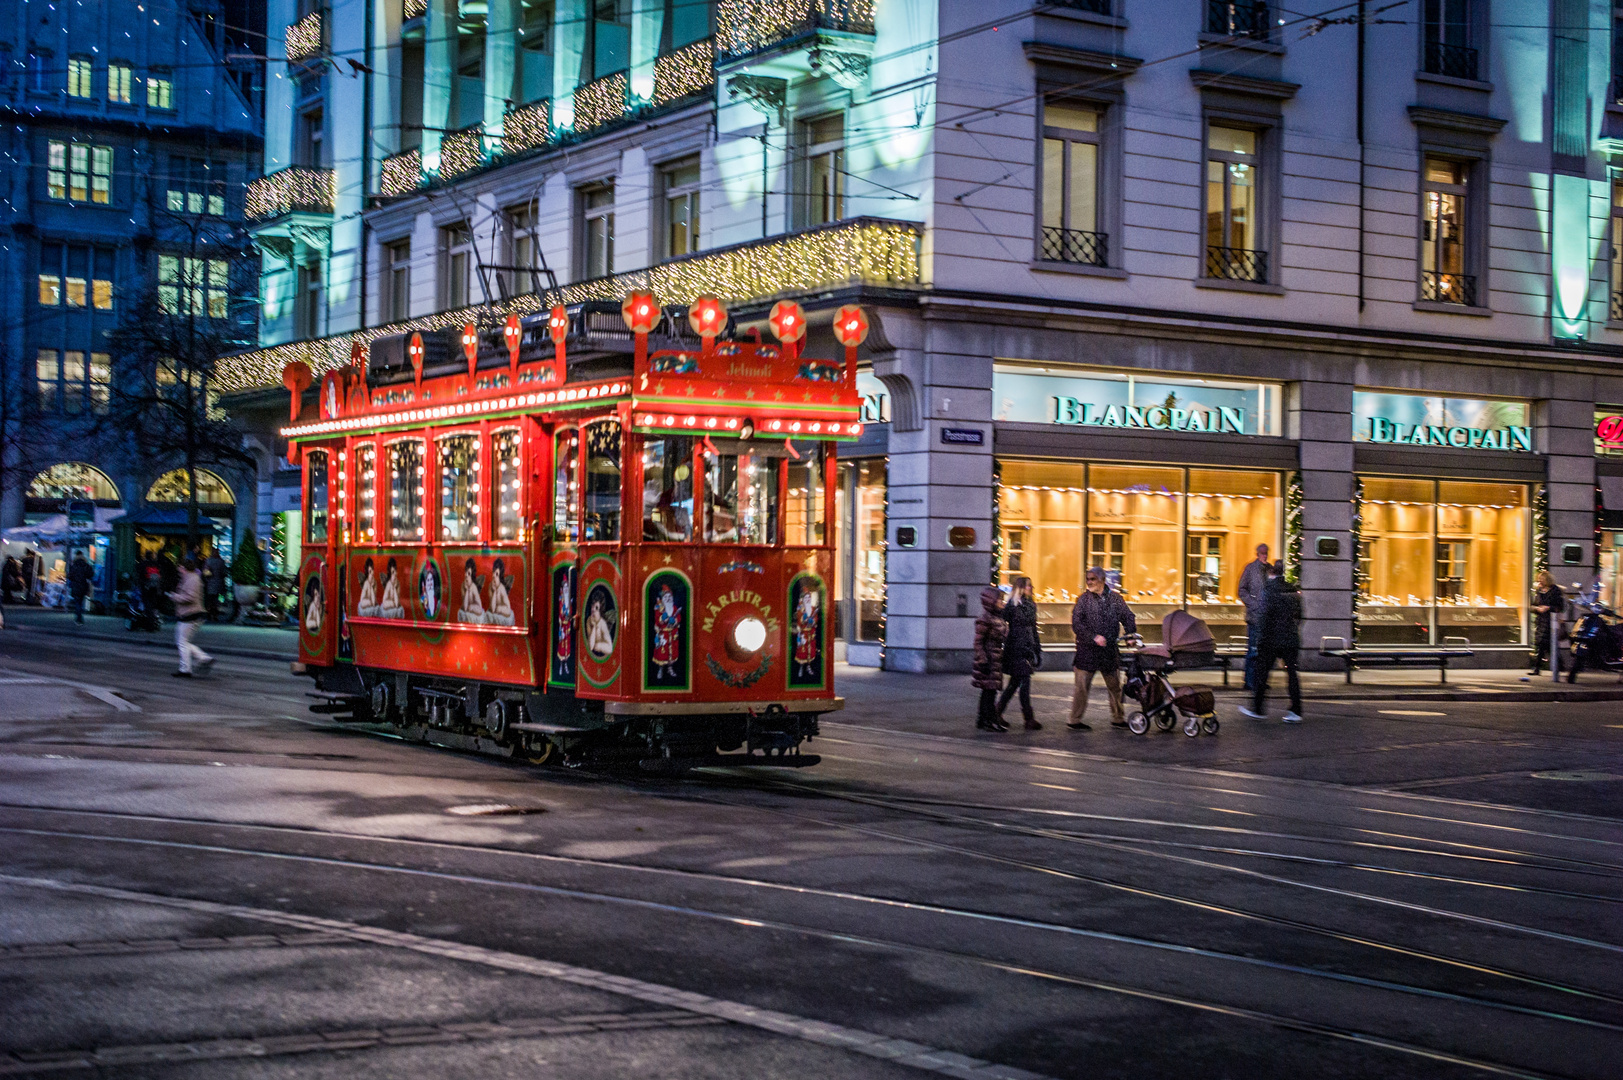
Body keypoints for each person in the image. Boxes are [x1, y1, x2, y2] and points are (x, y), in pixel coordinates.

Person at [1069, 567, 1137, 730]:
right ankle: (1074, 720)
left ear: (1102, 580)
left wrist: (1130, 634)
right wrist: (1093, 637)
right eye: (1088, 579)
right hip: (1087, 651)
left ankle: (1118, 718)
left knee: (1115, 687)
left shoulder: (1115, 599)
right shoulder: (1083, 600)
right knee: (1082, 688)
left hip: (1108, 650)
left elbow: (1128, 616)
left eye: (1093, 579)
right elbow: (1077, 624)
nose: (1089, 582)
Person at [1242, 561, 1302, 723]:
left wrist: (1260, 639)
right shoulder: (1293, 590)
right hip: (1290, 639)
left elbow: (1263, 616)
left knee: (1262, 673)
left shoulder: (1269, 591)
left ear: (1272, 573)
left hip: (1271, 640)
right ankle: (1296, 710)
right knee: (1292, 674)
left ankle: (1258, 708)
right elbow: (1299, 615)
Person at [997, 576, 1042, 730]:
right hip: (1015, 649)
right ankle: (1028, 719)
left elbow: (1034, 629)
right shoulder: (1011, 605)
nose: (1031, 588)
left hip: (1027, 648)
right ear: (1021, 587)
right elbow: (1001, 624)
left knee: (1015, 683)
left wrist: (1037, 649)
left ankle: (997, 712)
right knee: (1024, 682)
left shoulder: (1031, 605)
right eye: (1029, 586)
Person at [165, 557, 214, 677]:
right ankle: (202, 659)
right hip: (191, 614)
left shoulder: (192, 579)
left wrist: (174, 597)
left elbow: (190, 598)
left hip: (191, 614)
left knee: (182, 642)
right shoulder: (190, 578)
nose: (178, 570)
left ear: (183, 568)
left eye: (180, 568)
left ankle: (187, 668)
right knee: (183, 641)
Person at [972, 585, 1008, 732]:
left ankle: (983, 719)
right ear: (991, 601)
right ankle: (989, 721)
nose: (1002, 602)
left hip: (994, 658)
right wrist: (983, 660)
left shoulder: (996, 616)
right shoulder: (985, 619)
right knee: (989, 691)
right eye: (1000, 600)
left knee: (988, 691)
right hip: (989, 660)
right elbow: (978, 642)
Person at [1237, 543, 1271, 691]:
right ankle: (1249, 681)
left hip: (1267, 617)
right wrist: (1253, 603)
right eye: (1262, 553)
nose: (1265, 555)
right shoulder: (1250, 569)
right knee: (1253, 650)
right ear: (1258, 554)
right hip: (1255, 617)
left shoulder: (1269, 569)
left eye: (1266, 553)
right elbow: (1241, 589)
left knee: (1264, 652)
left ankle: (1260, 680)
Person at [1527, 570, 1565, 678]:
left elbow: (1560, 606)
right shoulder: (1539, 591)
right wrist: (1537, 608)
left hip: (1551, 621)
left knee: (1545, 644)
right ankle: (1558, 665)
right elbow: (1532, 606)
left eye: (1542, 580)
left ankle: (1538, 668)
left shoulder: (1555, 590)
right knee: (1543, 644)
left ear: (1547, 580)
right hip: (1541, 620)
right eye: (1539, 580)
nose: (1540, 582)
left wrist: (1548, 608)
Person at [67, 551, 94, 624]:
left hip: (75, 586)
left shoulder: (74, 565)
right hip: (83, 586)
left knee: (77, 602)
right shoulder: (86, 565)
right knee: (81, 601)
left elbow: (69, 576)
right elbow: (91, 574)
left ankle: (79, 618)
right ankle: (79, 616)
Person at [203, 549, 228, 622]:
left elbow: (205, 572)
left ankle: (209, 614)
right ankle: (215, 615)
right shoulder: (221, 562)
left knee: (209, 600)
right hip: (219, 584)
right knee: (216, 601)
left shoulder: (208, 561)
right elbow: (224, 572)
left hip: (210, 583)